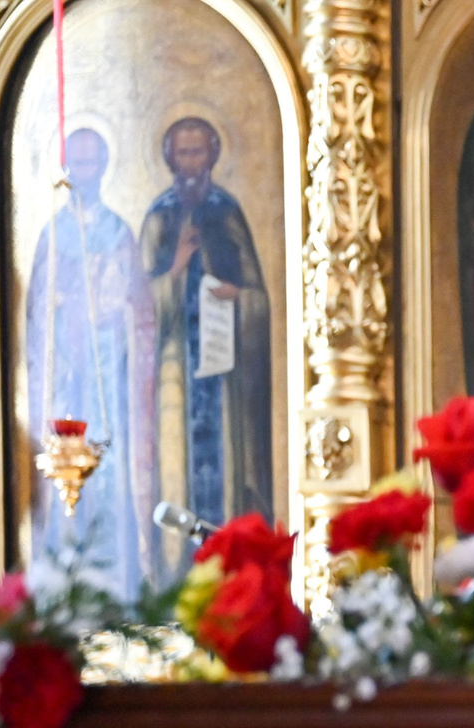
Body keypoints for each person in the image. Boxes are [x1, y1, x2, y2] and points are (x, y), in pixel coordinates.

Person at [25, 126, 158, 595]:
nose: (84, 172)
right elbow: (38, 306)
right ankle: (62, 585)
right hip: (65, 373)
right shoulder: (52, 232)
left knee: (109, 468)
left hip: (107, 371)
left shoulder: (117, 230)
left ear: (103, 167)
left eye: (91, 163)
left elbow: (137, 304)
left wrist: (107, 310)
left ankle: (118, 581)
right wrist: (61, 310)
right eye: (75, 163)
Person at [142, 116, 272, 577]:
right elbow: (138, 311)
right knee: (177, 472)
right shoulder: (159, 217)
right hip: (176, 374)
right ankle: (175, 579)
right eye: (183, 153)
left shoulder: (227, 211)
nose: (191, 163)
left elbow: (259, 298)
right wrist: (175, 270)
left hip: (223, 380)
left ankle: (235, 574)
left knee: (228, 475)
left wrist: (240, 299)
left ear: (213, 157)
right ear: (170, 159)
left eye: (199, 152)